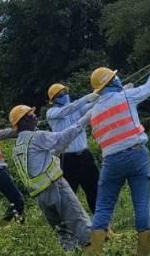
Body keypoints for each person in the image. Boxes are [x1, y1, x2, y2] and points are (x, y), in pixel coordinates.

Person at [87, 55, 150, 256]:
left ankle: (95, 253)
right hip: (137, 155)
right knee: (141, 204)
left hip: (111, 161)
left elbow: (98, 136)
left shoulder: (94, 112)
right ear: (112, 81)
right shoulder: (126, 96)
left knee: (103, 208)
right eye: (115, 77)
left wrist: (124, 91)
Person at [10, 104, 93, 252]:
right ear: (23, 121)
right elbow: (63, 137)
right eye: (31, 115)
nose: (35, 116)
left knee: (64, 234)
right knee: (81, 225)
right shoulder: (37, 136)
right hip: (56, 187)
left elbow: (50, 153)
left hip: (40, 197)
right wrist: (86, 118)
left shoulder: (17, 146)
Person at [45, 83, 100, 213]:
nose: (65, 96)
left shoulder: (76, 110)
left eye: (65, 93)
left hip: (85, 155)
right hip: (67, 159)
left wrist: (102, 94)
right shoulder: (52, 112)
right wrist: (87, 97)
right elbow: (68, 109)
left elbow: (91, 105)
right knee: (70, 195)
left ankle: (102, 227)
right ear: (53, 100)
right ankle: (70, 228)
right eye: (61, 95)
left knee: (95, 190)